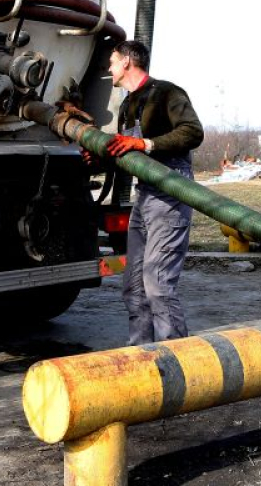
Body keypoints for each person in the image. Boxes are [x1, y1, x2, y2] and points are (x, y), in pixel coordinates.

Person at [103, 40, 204, 344]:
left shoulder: (167, 93)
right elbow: (126, 153)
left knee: (157, 284)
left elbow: (193, 131)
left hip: (171, 191)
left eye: (113, 61)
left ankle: (175, 358)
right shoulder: (127, 104)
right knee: (133, 288)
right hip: (145, 195)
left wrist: (145, 144)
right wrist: (100, 158)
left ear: (127, 62)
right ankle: (142, 358)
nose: (109, 68)